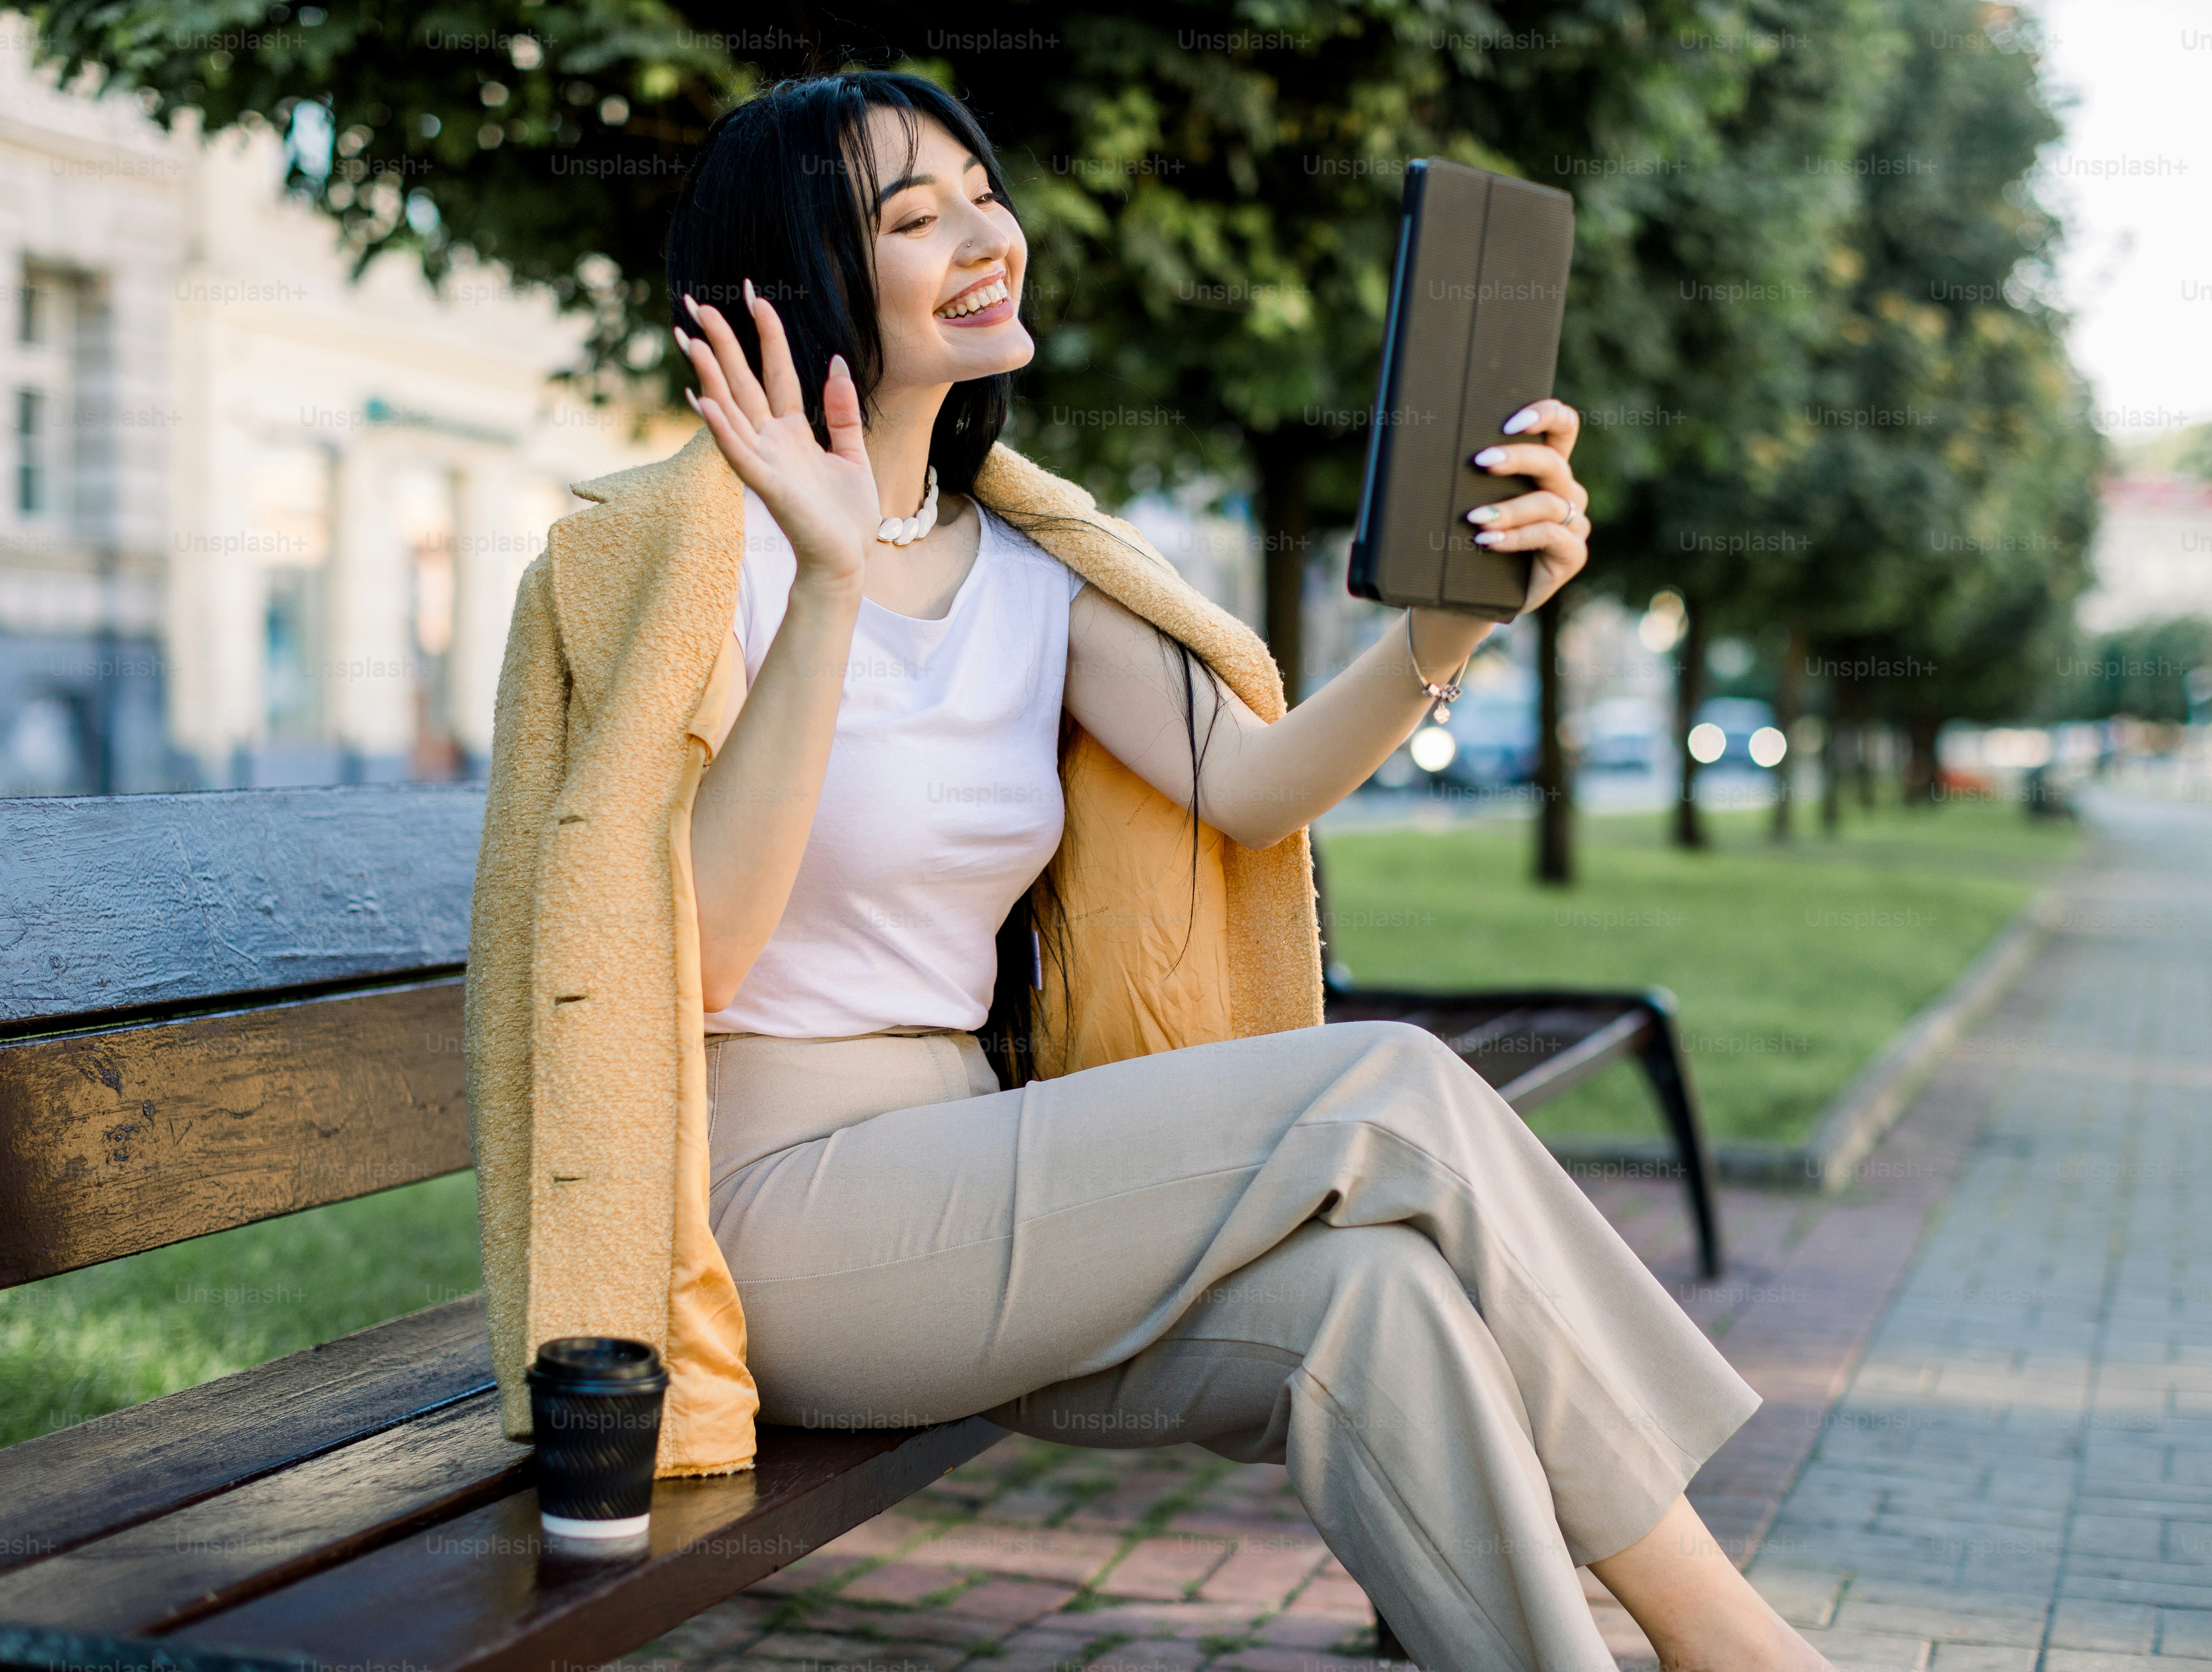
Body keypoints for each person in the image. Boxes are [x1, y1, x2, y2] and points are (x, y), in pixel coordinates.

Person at [471, 68, 1830, 1672]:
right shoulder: (676, 566)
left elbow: (1249, 788)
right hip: (772, 1226)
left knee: (1375, 1301)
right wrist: (828, 580)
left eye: (986, 194)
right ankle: (1732, 1637)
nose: (989, 236)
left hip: (980, 1184)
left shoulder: (1032, 572)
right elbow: (679, 961)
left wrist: (1451, 627)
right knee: (1386, 1084)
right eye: (918, 219)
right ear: (801, 284)